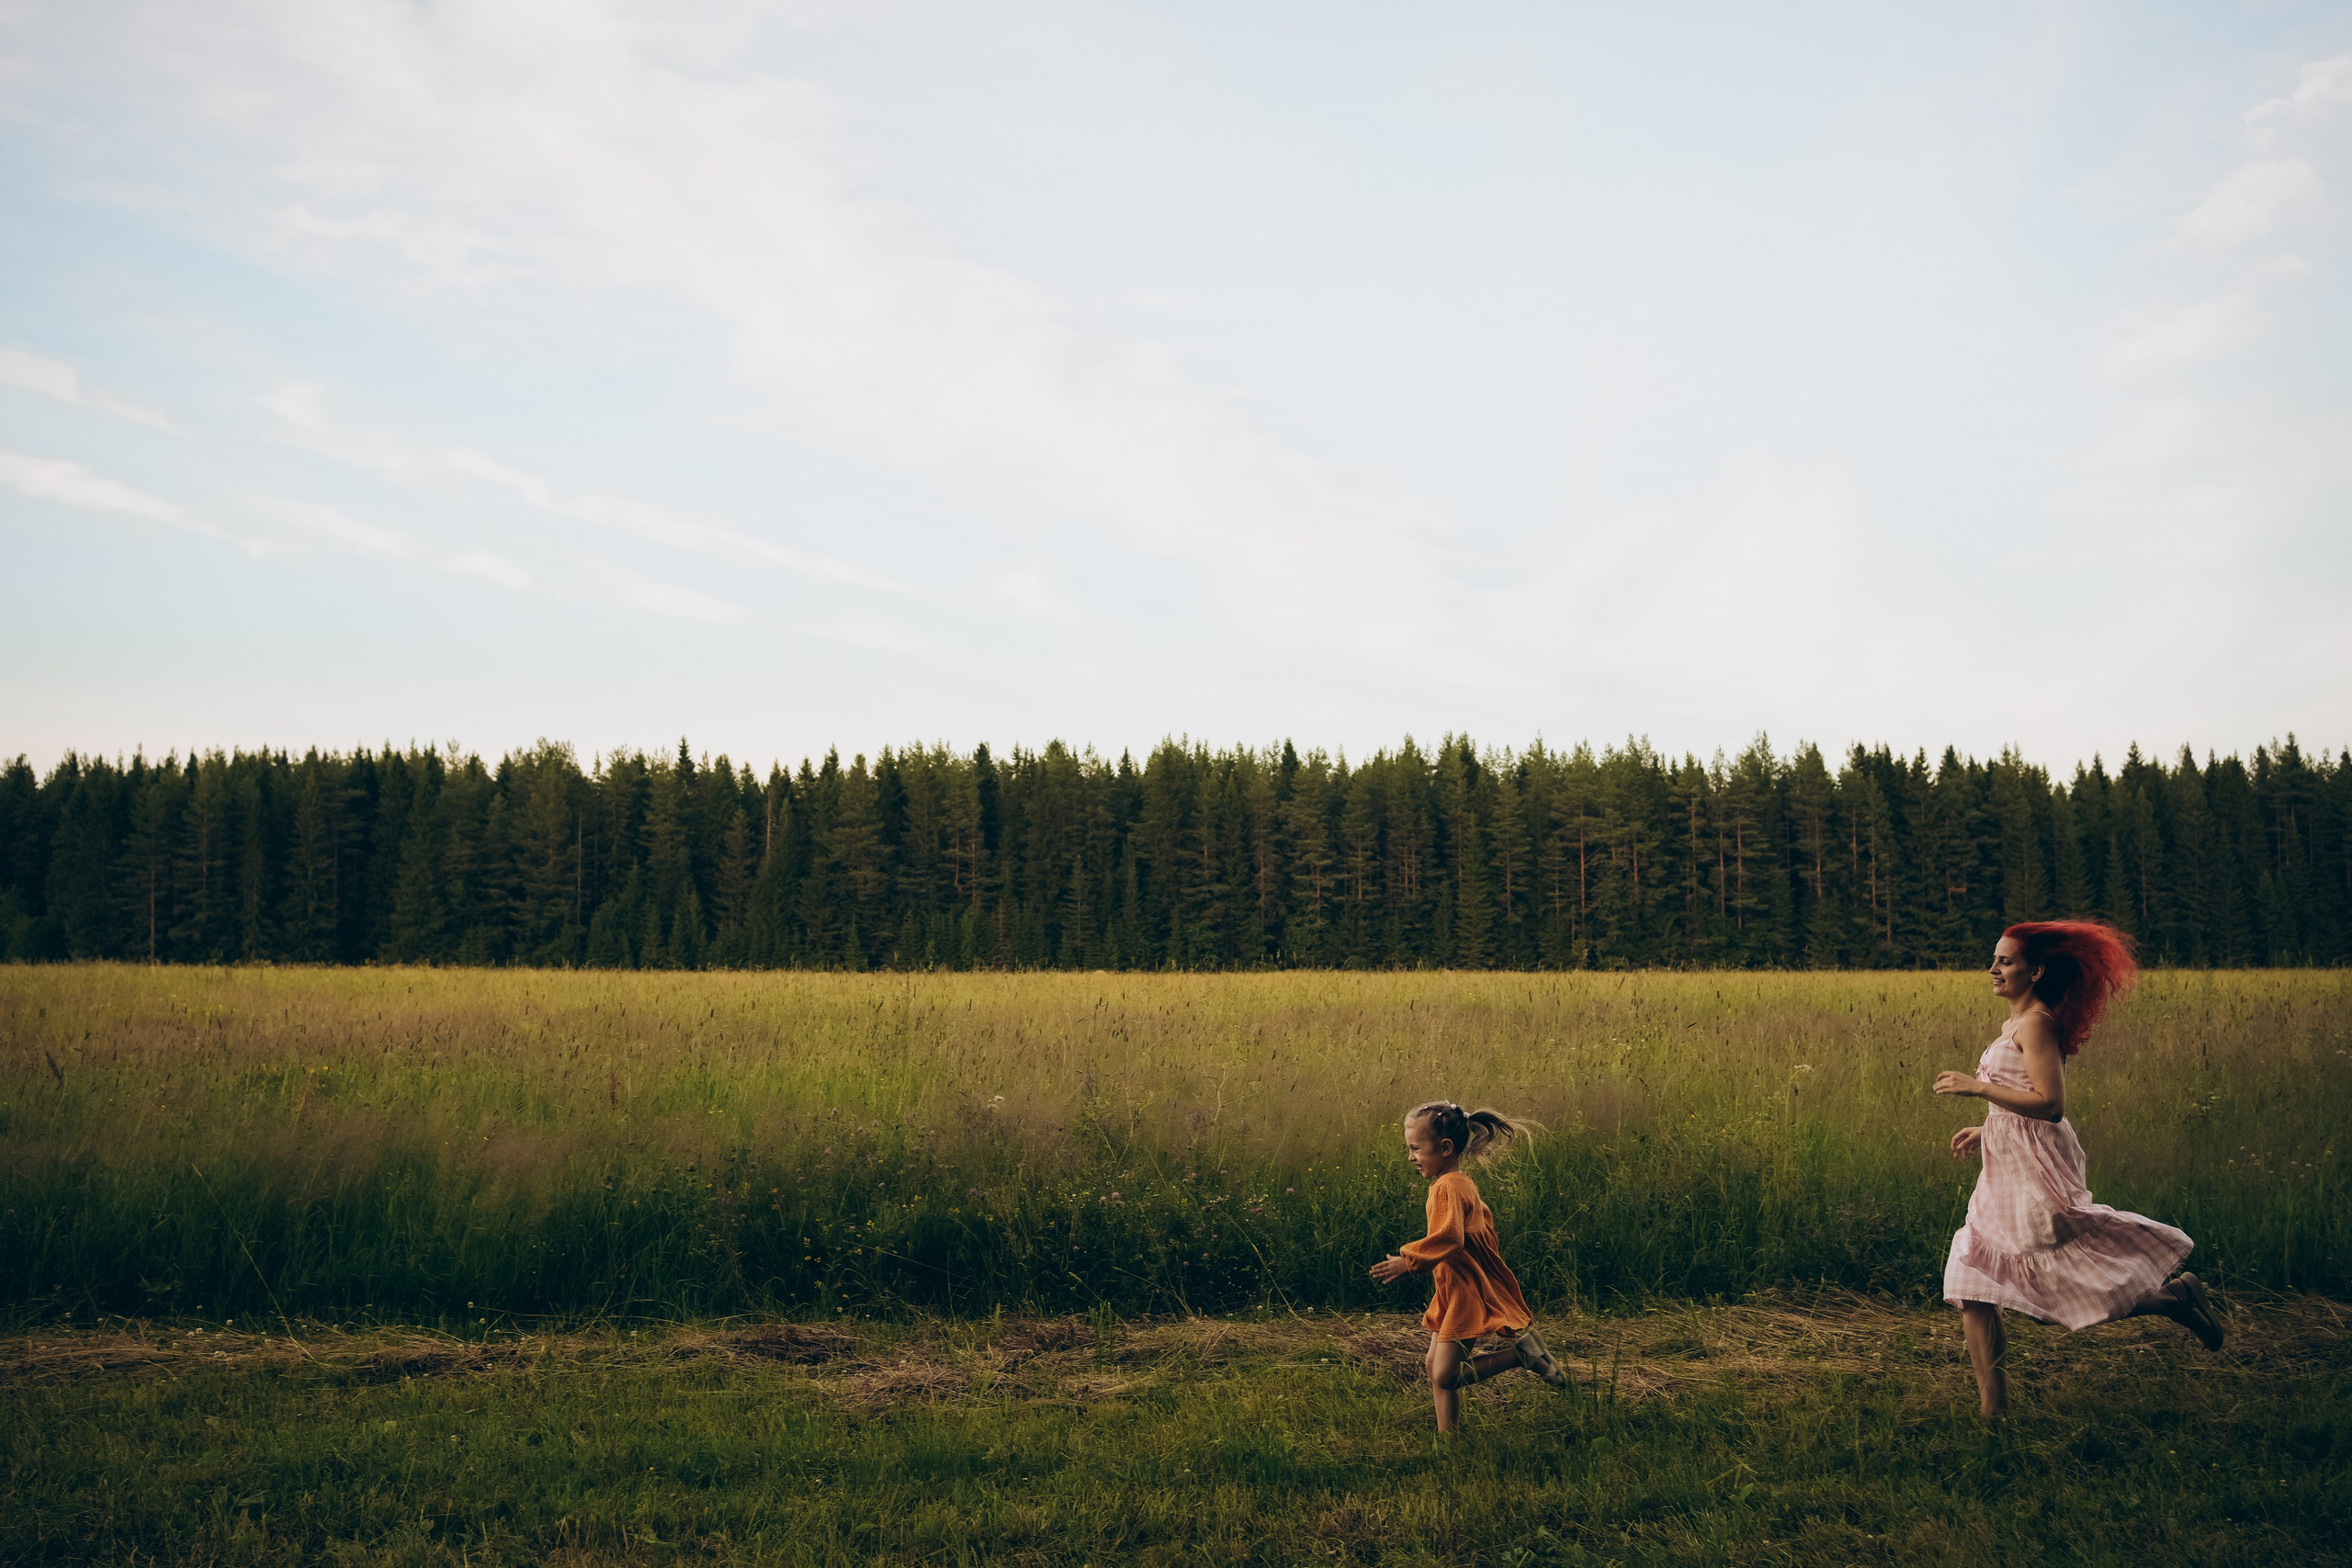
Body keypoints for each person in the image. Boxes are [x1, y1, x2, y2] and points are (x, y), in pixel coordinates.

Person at [1936, 919, 2224, 1418]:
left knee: (2048, 1291)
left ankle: (2173, 1299)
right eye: (1996, 959)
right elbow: (2023, 1104)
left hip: (2035, 1174)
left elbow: (2050, 1105)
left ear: (2036, 971)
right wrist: (1989, 1128)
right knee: (1972, 1283)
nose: (1994, 968)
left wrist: (1978, 1088)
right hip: (2004, 1169)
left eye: (2006, 961)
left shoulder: (2036, 1024)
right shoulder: (2017, 1024)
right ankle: (1994, 1412)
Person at [1369, 1100, 1568, 1432]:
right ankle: (1449, 1443)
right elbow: (1481, 1224)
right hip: (1454, 1285)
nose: (1411, 1157)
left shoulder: (1446, 1187)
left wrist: (1409, 1261)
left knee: (1446, 1374)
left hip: (1463, 1291)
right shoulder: (1460, 1182)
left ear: (1445, 1148)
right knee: (1437, 1369)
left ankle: (1522, 1355)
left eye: (1416, 1148)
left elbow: (1450, 1238)